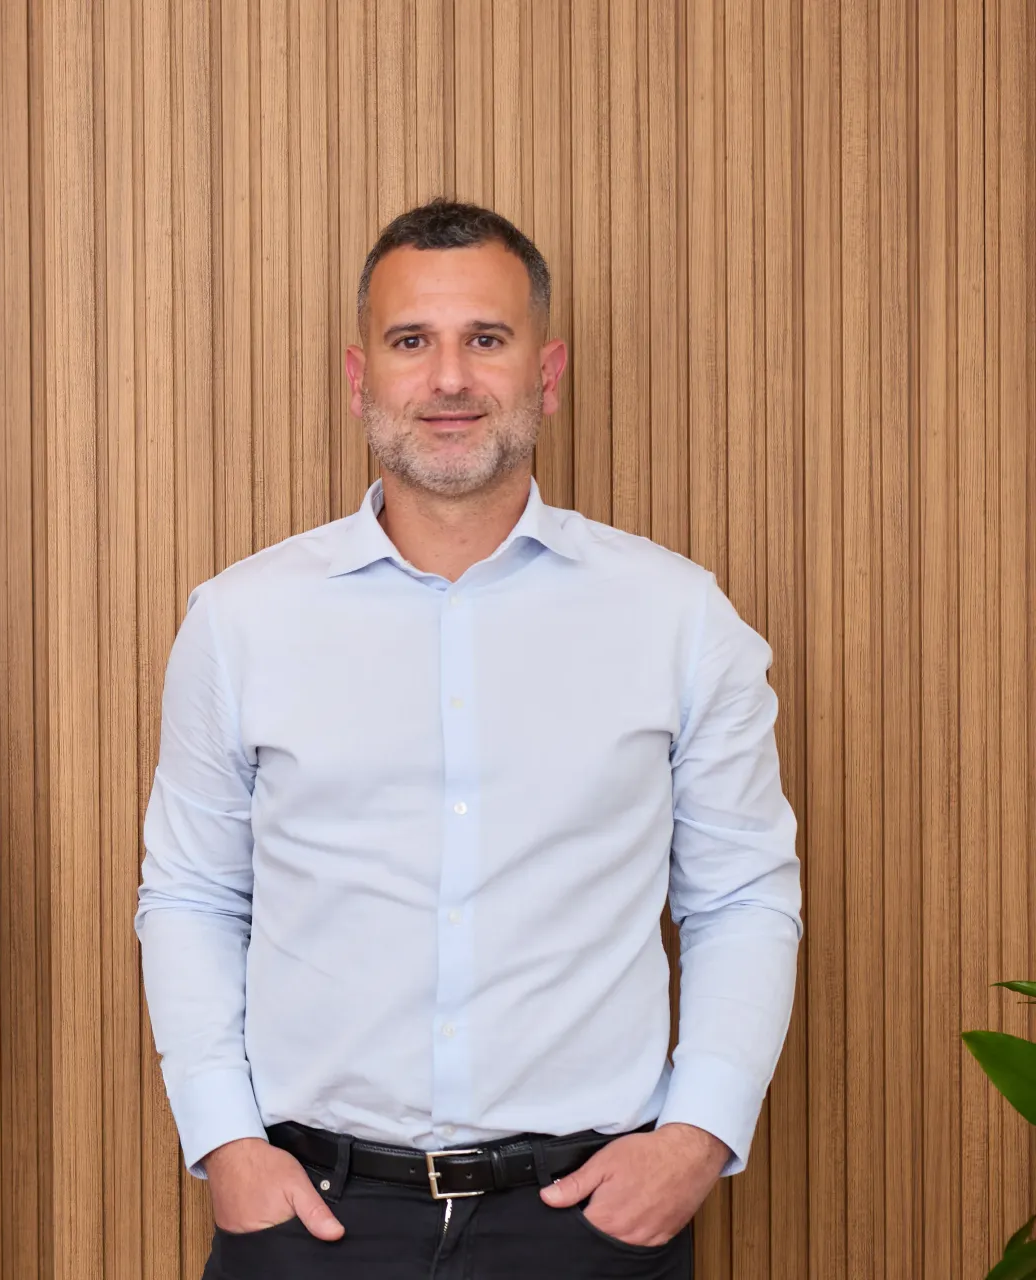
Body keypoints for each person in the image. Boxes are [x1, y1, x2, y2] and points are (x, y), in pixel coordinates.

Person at [136, 199, 801, 1279]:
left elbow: (742, 896)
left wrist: (698, 1136)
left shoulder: (677, 616)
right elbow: (193, 893)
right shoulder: (240, 619)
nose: (449, 378)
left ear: (548, 371)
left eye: (485, 339)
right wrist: (225, 1140)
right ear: (361, 376)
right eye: (414, 341)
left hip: (586, 1224)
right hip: (311, 1222)